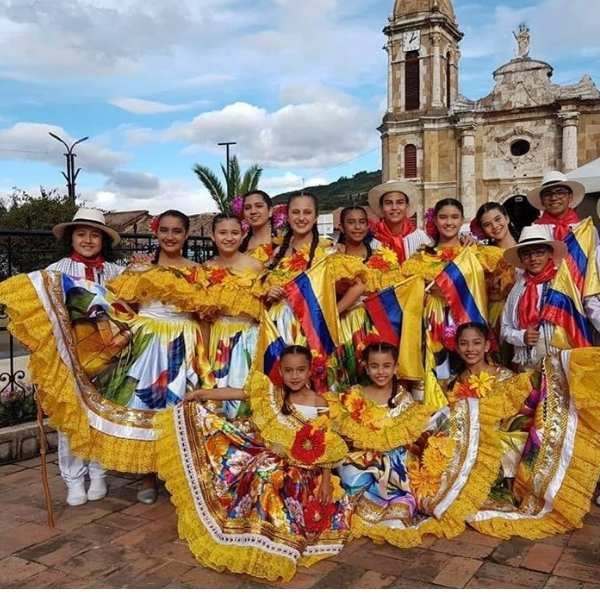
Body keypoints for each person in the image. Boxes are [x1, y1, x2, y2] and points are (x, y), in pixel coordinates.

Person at [155, 345, 352, 582]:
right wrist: (201, 395)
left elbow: (327, 444)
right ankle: (250, 533)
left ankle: (277, 538)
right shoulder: (271, 394)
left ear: (310, 371)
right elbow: (235, 392)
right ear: (281, 370)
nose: (295, 376)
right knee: (258, 471)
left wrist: (327, 483)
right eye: (289, 370)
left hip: (306, 470)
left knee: (272, 477)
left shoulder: (320, 402)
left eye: (301, 370)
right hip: (272, 458)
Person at [105, 209, 214, 503]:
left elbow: (202, 315)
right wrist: (130, 332)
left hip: (185, 341)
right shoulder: (140, 267)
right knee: (146, 405)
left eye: (176, 231)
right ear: (156, 232)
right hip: (149, 342)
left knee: (183, 408)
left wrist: (206, 355)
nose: (170, 236)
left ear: (186, 234)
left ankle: (182, 475)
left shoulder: (197, 271)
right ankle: (147, 475)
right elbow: (121, 304)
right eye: (164, 230)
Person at [47, 209, 124, 506]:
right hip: (70, 354)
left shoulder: (117, 272)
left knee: (102, 412)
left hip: (108, 354)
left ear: (103, 240)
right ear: (72, 237)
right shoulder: (56, 270)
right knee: (72, 417)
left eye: (94, 235)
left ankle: (99, 471)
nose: (88, 240)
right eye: (82, 234)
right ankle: (74, 478)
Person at [400, 198, 504, 379]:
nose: (449, 222)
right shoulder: (421, 257)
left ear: (462, 220)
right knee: (438, 373)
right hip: (434, 322)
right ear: (435, 220)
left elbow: (508, 270)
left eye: (455, 217)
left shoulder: (474, 252)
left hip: (469, 320)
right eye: (443, 217)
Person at [202, 213, 264, 420]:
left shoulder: (256, 266)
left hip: (248, 335)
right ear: (213, 236)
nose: (229, 238)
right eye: (223, 233)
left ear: (243, 234)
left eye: (234, 232)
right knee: (218, 386)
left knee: (244, 388)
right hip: (218, 334)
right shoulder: (206, 269)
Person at [367, 180, 431, 264]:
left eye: (400, 202)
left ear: (407, 206)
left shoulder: (421, 237)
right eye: (388, 203)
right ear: (381, 207)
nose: (394, 207)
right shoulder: (371, 240)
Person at [528, 171, 585, 241]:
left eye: (560, 192)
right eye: (548, 194)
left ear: (570, 197)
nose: (554, 198)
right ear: (542, 201)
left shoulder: (585, 229)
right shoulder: (533, 230)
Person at [238, 190, 283, 263]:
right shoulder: (239, 243)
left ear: (270, 211)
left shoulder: (284, 240)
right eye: (247, 208)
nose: (253, 211)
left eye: (259, 206)